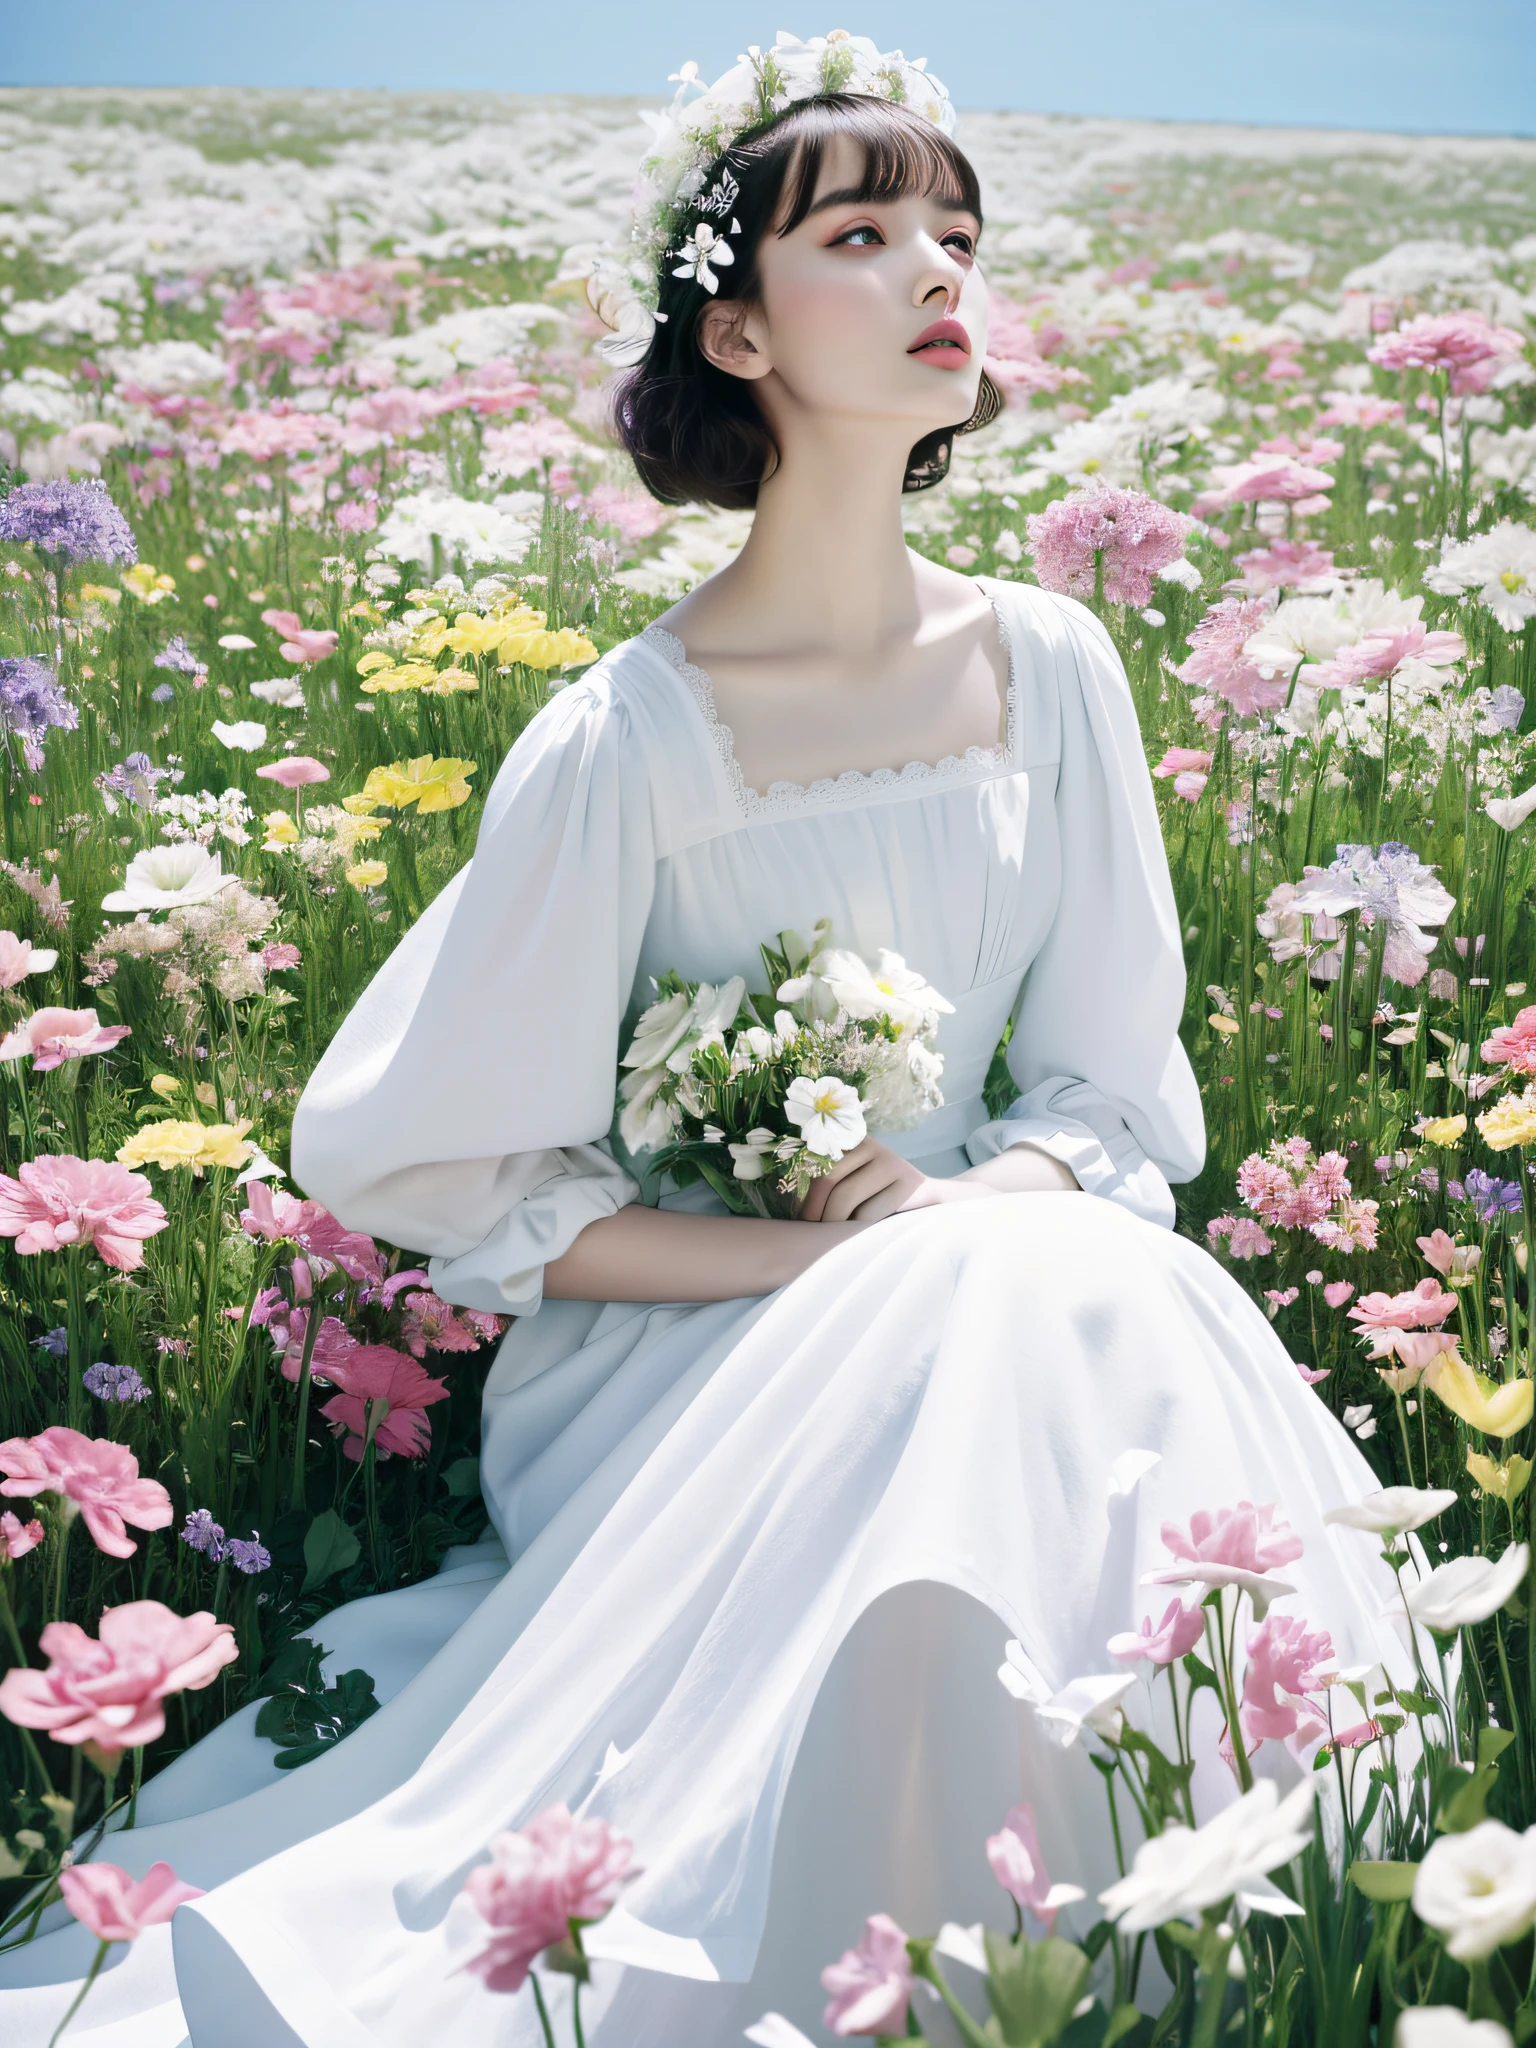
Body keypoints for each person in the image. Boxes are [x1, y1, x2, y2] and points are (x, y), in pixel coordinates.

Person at [0, 33, 1401, 2048]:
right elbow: (461, 1179)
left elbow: (1109, 1092)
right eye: (864, 232)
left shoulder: (1058, 665)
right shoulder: (626, 736)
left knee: (1083, 1266)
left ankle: (1179, 1907)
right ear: (738, 330)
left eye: (957, 232)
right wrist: (835, 1256)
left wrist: (955, 1212)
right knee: (1026, 1286)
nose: (939, 272)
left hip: (986, 1259)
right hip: (686, 1347)